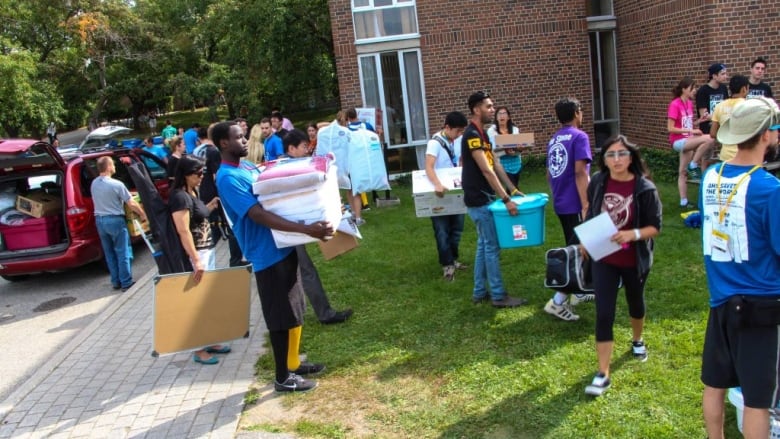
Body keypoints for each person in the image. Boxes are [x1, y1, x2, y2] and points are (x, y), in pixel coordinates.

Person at [214, 121, 330, 393]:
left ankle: (293, 363)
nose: (245, 141)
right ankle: (281, 378)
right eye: (239, 137)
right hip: (267, 254)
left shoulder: (245, 167)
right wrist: (307, 228)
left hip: (283, 245)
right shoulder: (228, 177)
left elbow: (272, 182)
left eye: (244, 136)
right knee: (279, 317)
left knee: (294, 310)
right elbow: (258, 214)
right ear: (223, 144)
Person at [700, 96, 780, 439]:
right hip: (762, 304)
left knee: (715, 384)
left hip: (721, 299)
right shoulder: (769, 189)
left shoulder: (709, 177)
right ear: (765, 135)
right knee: (758, 399)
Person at [582, 135, 661, 397]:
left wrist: (632, 234)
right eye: (611, 155)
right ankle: (603, 373)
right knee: (604, 312)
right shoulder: (598, 181)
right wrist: (585, 239)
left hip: (633, 259)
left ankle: (637, 340)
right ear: (604, 160)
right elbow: (591, 211)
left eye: (622, 154)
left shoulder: (645, 188)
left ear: (632, 157)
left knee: (635, 302)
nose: (616, 160)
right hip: (604, 257)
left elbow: (655, 228)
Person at [461, 91, 527, 308]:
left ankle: (479, 292)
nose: (492, 110)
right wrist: (506, 199)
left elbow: (496, 165)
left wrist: (513, 189)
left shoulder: (483, 135)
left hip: (484, 197)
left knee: (484, 245)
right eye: (488, 107)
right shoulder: (471, 135)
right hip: (479, 199)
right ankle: (499, 296)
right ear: (476, 109)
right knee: (492, 246)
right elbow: (486, 170)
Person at [280, 129, 354, 324]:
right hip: (289, 229)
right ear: (291, 148)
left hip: (291, 228)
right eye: (304, 147)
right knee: (304, 270)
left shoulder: (288, 166)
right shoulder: (288, 169)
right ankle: (321, 314)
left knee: (299, 271)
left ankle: (298, 314)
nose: (307, 151)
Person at [168, 155, 229, 365]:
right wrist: (196, 260)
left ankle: (210, 340)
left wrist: (210, 205)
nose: (202, 177)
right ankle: (199, 349)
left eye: (203, 172)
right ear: (186, 175)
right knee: (197, 303)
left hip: (207, 251)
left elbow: (198, 215)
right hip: (198, 255)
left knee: (208, 301)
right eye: (198, 173)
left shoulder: (191, 192)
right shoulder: (179, 197)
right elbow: (183, 231)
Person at [544, 97, 595, 322]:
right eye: (581, 110)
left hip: (562, 202)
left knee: (575, 247)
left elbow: (549, 173)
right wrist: (586, 204)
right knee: (581, 249)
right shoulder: (580, 136)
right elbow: (580, 172)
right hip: (576, 202)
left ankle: (578, 291)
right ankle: (557, 302)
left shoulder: (554, 139)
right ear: (576, 112)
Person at [91, 156, 148, 292]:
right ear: (109, 167)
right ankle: (126, 282)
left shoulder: (94, 183)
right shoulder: (117, 184)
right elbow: (131, 203)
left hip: (100, 220)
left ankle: (115, 281)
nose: (115, 167)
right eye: (113, 165)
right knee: (123, 251)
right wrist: (142, 214)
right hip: (115, 220)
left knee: (109, 252)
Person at [425, 111, 469, 281]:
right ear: (447, 127)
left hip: (455, 190)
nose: (459, 135)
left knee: (457, 228)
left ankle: (453, 258)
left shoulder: (457, 140)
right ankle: (447, 264)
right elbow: (429, 166)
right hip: (439, 192)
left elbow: (459, 161)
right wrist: (436, 183)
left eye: (461, 131)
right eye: (457, 131)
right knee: (442, 230)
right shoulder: (434, 143)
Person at [668, 77, 714, 207]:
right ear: (684, 89)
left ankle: (684, 202)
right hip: (678, 141)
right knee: (710, 138)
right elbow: (670, 128)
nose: (694, 91)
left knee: (682, 172)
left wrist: (699, 122)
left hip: (688, 140)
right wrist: (692, 131)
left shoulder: (689, 103)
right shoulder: (675, 104)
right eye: (692, 88)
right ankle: (694, 164)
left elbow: (687, 124)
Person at [710, 75, 749, 162]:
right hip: (744, 155)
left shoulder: (719, 106)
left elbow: (712, 133)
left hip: (725, 156)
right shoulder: (748, 106)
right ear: (744, 89)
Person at [487, 106, 522, 188]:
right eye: (499, 114)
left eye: (504, 113)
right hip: (501, 163)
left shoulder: (515, 129)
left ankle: (512, 198)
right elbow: (493, 148)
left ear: (508, 117)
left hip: (515, 162)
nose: (502, 116)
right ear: (496, 117)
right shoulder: (492, 131)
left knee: (515, 185)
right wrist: (505, 150)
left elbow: (518, 144)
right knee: (511, 187)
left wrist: (518, 148)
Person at [696, 63, 729, 137]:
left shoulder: (723, 88)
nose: (725, 76)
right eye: (722, 74)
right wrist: (721, 119)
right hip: (708, 129)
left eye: (725, 74)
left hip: (722, 127)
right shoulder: (703, 91)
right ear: (714, 76)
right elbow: (704, 115)